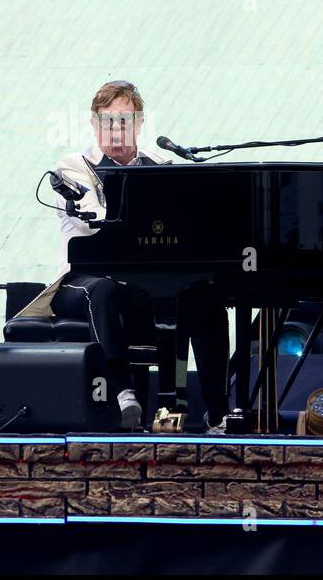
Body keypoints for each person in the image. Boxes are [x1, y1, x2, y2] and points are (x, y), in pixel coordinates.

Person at [16, 80, 230, 432]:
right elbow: (92, 222)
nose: (115, 130)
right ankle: (122, 392)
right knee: (102, 290)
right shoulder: (73, 166)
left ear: (140, 124)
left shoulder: (161, 164)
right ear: (94, 124)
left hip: (140, 282)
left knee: (202, 301)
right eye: (107, 121)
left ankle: (214, 411)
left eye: (124, 121)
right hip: (81, 279)